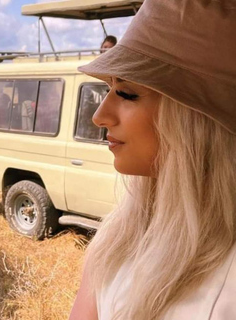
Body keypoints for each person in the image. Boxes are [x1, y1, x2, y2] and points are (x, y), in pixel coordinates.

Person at [69, 0, 236, 319]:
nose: (99, 116)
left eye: (127, 93)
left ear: (196, 119)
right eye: (108, 89)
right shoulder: (120, 232)